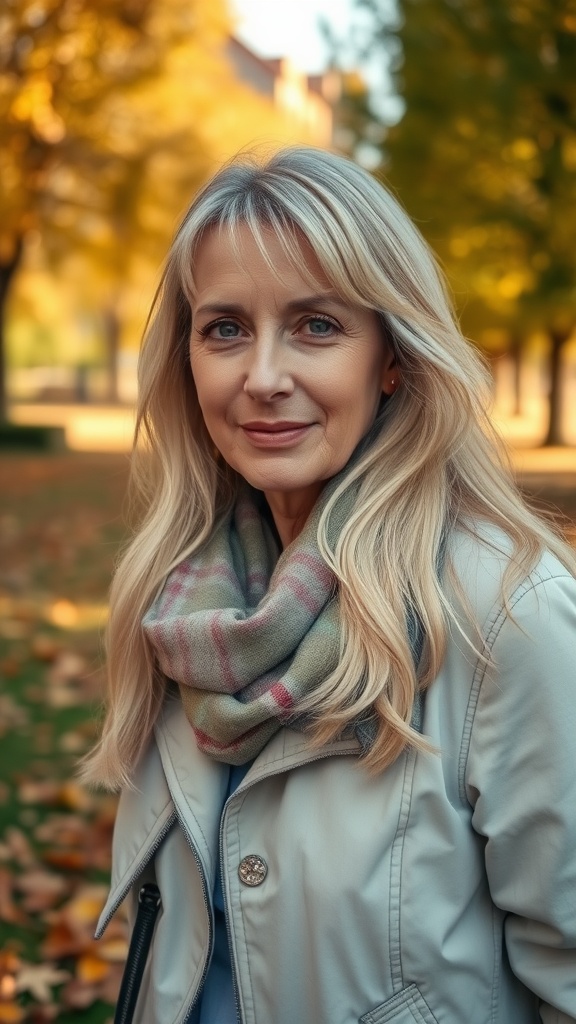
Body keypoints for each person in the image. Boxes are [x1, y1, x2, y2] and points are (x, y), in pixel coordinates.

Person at [83, 147, 576, 1024]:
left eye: (316, 326)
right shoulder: (183, 606)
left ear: (393, 356)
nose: (263, 377)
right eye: (225, 328)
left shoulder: (506, 614)